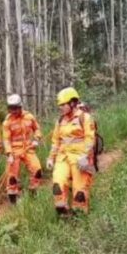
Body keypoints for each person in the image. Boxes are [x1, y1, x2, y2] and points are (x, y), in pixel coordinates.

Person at [48, 88, 96, 216]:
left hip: (80, 158)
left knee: (79, 190)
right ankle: (62, 210)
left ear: (73, 103)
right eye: (60, 105)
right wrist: (50, 158)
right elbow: (55, 141)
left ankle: (79, 216)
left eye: (63, 105)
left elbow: (90, 138)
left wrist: (85, 156)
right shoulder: (60, 121)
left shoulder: (84, 118)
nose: (61, 108)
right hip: (62, 157)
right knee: (58, 183)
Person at [2, 94, 43, 204]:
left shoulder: (29, 117)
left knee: (37, 170)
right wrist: (9, 154)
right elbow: (6, 140)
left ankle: (32, 192)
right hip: (14, 150)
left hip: (28, 148)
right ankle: (13, 201)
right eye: (11, 108)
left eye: (15, 108)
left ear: (20, 106)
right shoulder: (7, 122)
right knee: (12, 176)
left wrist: (36, 139)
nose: (13, 110)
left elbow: (37, 129)